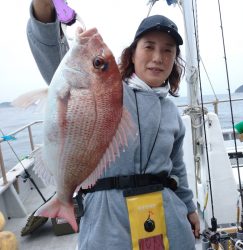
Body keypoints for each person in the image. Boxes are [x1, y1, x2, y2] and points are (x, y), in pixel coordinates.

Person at [27, 1, 200, 249]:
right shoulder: (107, 91)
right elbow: (55, 56)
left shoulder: (172, 112)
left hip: (164, 213)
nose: (157, 58)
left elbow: (177, 170)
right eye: (149, 47)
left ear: (174, 60)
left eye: (168, 51)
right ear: (133, 53)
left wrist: (190, 209)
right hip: (108, 216)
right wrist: (44, 11)